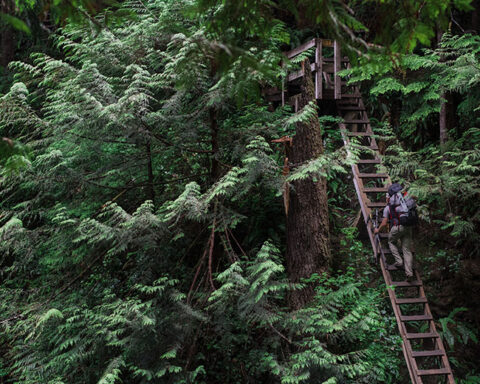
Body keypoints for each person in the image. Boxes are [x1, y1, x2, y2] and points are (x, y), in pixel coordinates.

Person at [374, 188, 414, 282]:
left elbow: (384, 223)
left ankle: (399, 261)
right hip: (408, 227)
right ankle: (409, 273)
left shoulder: (388, 207)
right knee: (407, 250)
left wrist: (377, 230)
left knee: (391, 241)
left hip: (398, 228)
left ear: (389, 198)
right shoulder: (405, 203)